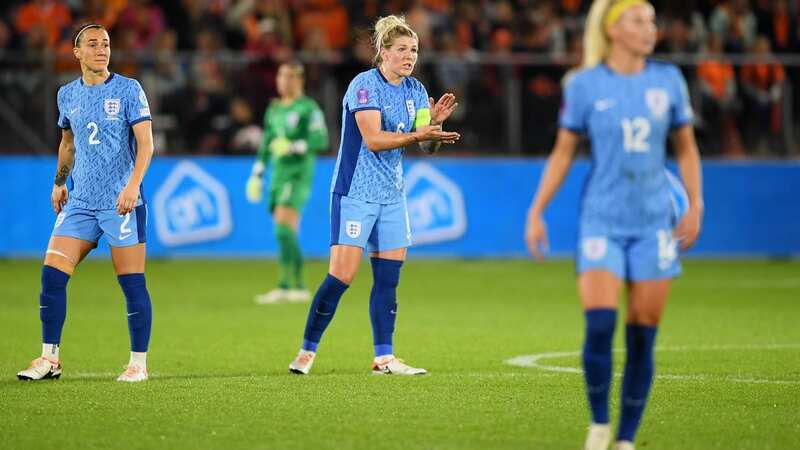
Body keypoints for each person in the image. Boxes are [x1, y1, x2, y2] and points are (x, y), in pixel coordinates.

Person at [524, 1, 703, 449]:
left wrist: (695, 203)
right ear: (613, 28)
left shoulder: (668, 80)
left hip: (653, 224)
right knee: (601, 324)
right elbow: (564, 152)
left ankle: (625, 439)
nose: (650, 29)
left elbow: (685, 147)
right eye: (639, 21)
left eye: (653, 21)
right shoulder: (585, 85)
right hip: (601, 220)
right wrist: (536, 209)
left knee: (643, 333)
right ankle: (599, 424)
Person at [287, 15, 459, 376]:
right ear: (383, 52)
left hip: (392, 196)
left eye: (413, 50)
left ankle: (384, 358)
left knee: (388, 279)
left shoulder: (415, 90)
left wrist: (435, 128)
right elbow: (374, 140)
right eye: (401, 50)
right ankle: (306, 351)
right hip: (355, 193)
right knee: (342, 276)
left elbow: (426, 148)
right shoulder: (364, 86)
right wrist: (419, 135)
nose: (409, 56)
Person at [16, 23, 155, 383]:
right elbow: (68, 143)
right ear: (76, 52)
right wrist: (59, 182)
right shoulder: (67, 94)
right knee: (51, 276)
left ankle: (138, 363)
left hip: (121, 203)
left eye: (106, 43)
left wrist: (132, 186)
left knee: (132, 283)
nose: (101, 49)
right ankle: (50, 359)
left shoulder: (128, 90)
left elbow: (146, 144)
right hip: (80, 202)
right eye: (92, 44)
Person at [246, 62, 329, 304]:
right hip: (278, 174)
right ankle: (285, 285)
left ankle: (299, 284)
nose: (285, 81)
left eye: (291, 76)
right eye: (282, 76)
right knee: (284, 231)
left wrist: (293, 146)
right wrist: (257, 173)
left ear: (300, 80)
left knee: (283, 227)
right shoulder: (274, 109)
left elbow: (321, 140)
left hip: (298, 173)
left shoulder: (308, 108)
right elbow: (267, 142)